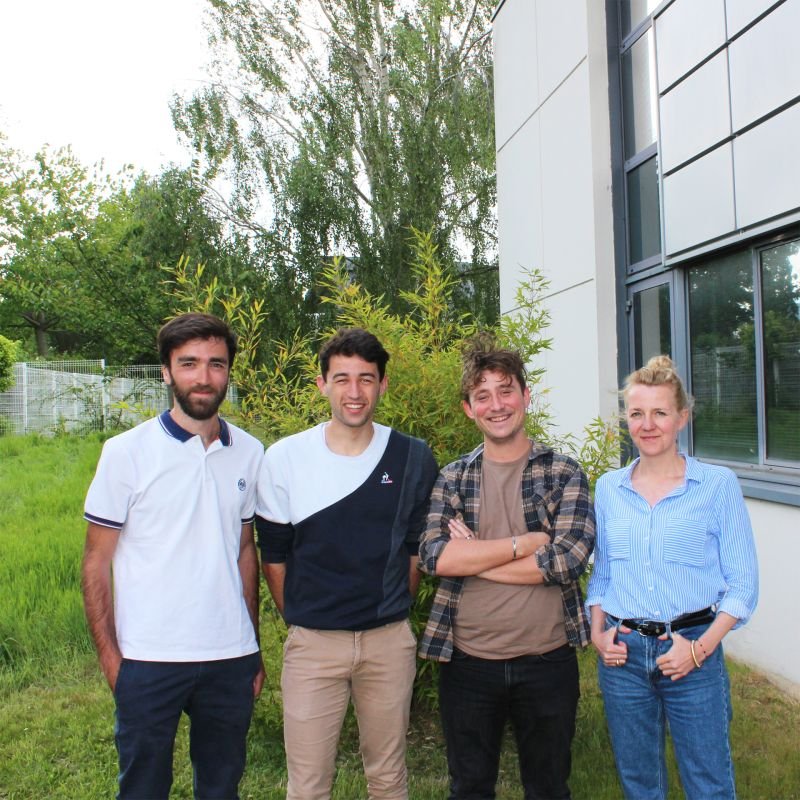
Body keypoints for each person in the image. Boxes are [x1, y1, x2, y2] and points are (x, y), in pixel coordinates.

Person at [82, 312, 265, 800]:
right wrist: (111, 658)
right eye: (188, 364)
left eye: (216, 364)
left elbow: (245, 550)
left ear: (229, 372)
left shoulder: (250, 452)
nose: (203, 377)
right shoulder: (126, 452)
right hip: (148, 658)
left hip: (230, 657)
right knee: (142, 789)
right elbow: (96, 561)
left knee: (222, 788)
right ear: (166, 371)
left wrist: (253, 646)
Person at [256, 327, 438, 800]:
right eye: (341, 379)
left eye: (366, 379)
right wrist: (304, 615)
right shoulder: (285, 458)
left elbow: (416, 550)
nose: (354, 393)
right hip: (314, 646)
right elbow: (273, 558)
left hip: (388, 643)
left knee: (389, 778)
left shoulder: (414, 457)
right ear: (321, 384)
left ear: (383, 385)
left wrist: (391, 608)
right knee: (309, 785)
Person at [417, 337, 595, 800]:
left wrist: (476, 557)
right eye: (483, 395)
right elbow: (437, 556)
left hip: (548, 660)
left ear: (525, 396)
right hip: (468, 663)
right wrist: (523, 545)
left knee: (549, 787)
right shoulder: (453, 477)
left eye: (506, 390)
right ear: (468, 409)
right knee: (470, 787)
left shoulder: (563, 473)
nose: (497, 404)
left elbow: (568, 559)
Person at [586, 355, 759, 800]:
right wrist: (597, 634)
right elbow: (602, 573)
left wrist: (699, 651)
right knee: (639, 782)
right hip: (622, 654)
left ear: (682, 417)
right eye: (637, 413)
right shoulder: (609, 488)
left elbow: (742, 587)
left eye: (660, 413)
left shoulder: (716, 485)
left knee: (708, 783)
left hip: (692, 650)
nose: (648, 424)